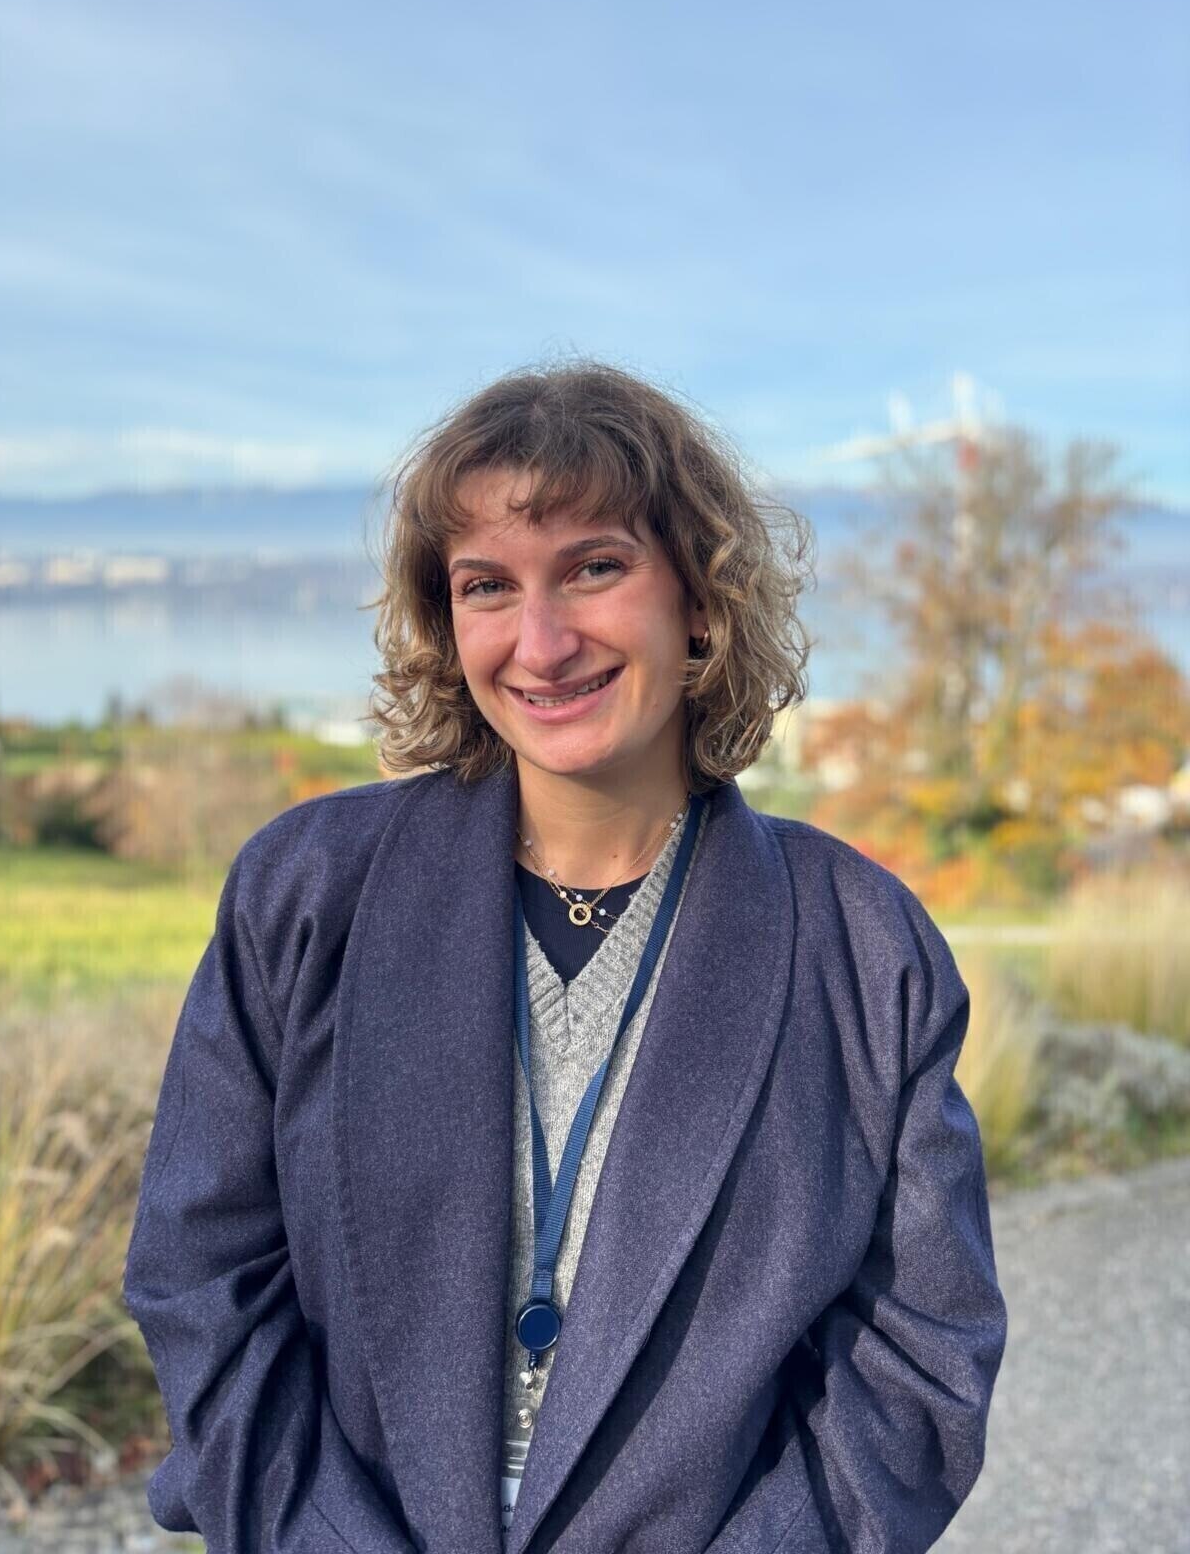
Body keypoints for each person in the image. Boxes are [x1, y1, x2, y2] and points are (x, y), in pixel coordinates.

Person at [122, 358, 1008, 1554]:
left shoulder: (863, 944)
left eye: (595, 567)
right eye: (488, 584)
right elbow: (200, 1278)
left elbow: (920, 1358)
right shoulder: (305, 894)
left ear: (702, 598)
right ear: (447, 621)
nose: (540, 644)